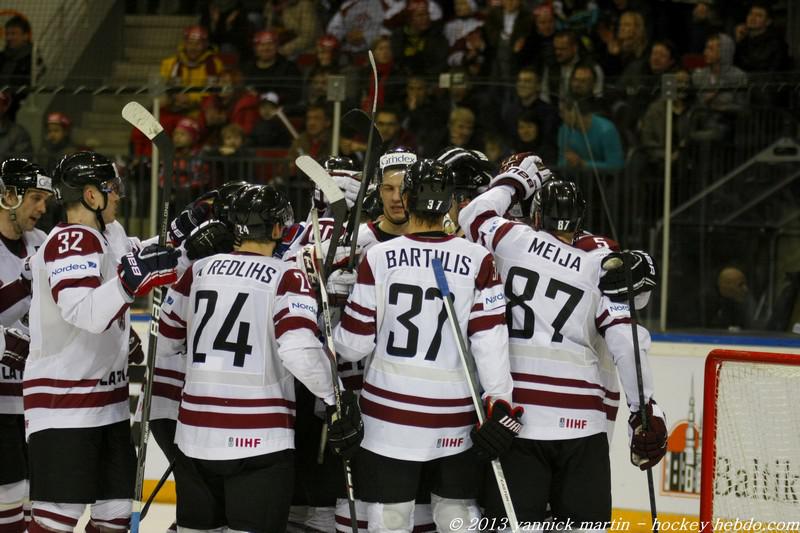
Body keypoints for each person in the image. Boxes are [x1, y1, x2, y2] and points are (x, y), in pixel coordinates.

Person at [458, 162, 667, 528]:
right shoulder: (598, 264)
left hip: (518, 422)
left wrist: (519, 179)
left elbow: (474, 213)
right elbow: (625, 341)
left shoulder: (513, 240)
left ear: (537, 214)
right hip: (582, 425)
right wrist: (644, 411)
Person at [156, 184, 361, 531]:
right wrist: (335, 396)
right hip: (260, 441)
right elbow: (298, 350)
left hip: (194, 436)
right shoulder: (286, 275)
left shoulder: (198, 270)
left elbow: (167, 337)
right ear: (279, 229)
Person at [333, 159, 520, 533]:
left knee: (391, 518)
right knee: (456, 517)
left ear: (408, 196)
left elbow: (353, 347)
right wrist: (500, 402)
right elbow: (490, 340)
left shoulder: (378, 256)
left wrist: (335, 316)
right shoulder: (478, 258)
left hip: (387, 416)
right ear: (450, 201)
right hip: (455, 415)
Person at [23, 151, 179, 532]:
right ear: (92, 196)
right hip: (65, 407)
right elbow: (88, 313)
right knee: (57, 519)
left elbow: (136, 259)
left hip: (107, 406)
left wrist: (180, 238)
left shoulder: (109, 233)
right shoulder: (70, 242)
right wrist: (132, 279)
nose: (120, 195)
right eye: (113, 188)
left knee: (115, 515)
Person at [0, 159, 54, 531]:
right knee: (8, 490)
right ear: (7, 196)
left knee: (39, 494)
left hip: (37, 398)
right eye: (35, 198)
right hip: (1, 397)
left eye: (45, 199)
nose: (42, 208)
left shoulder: (43, 243)